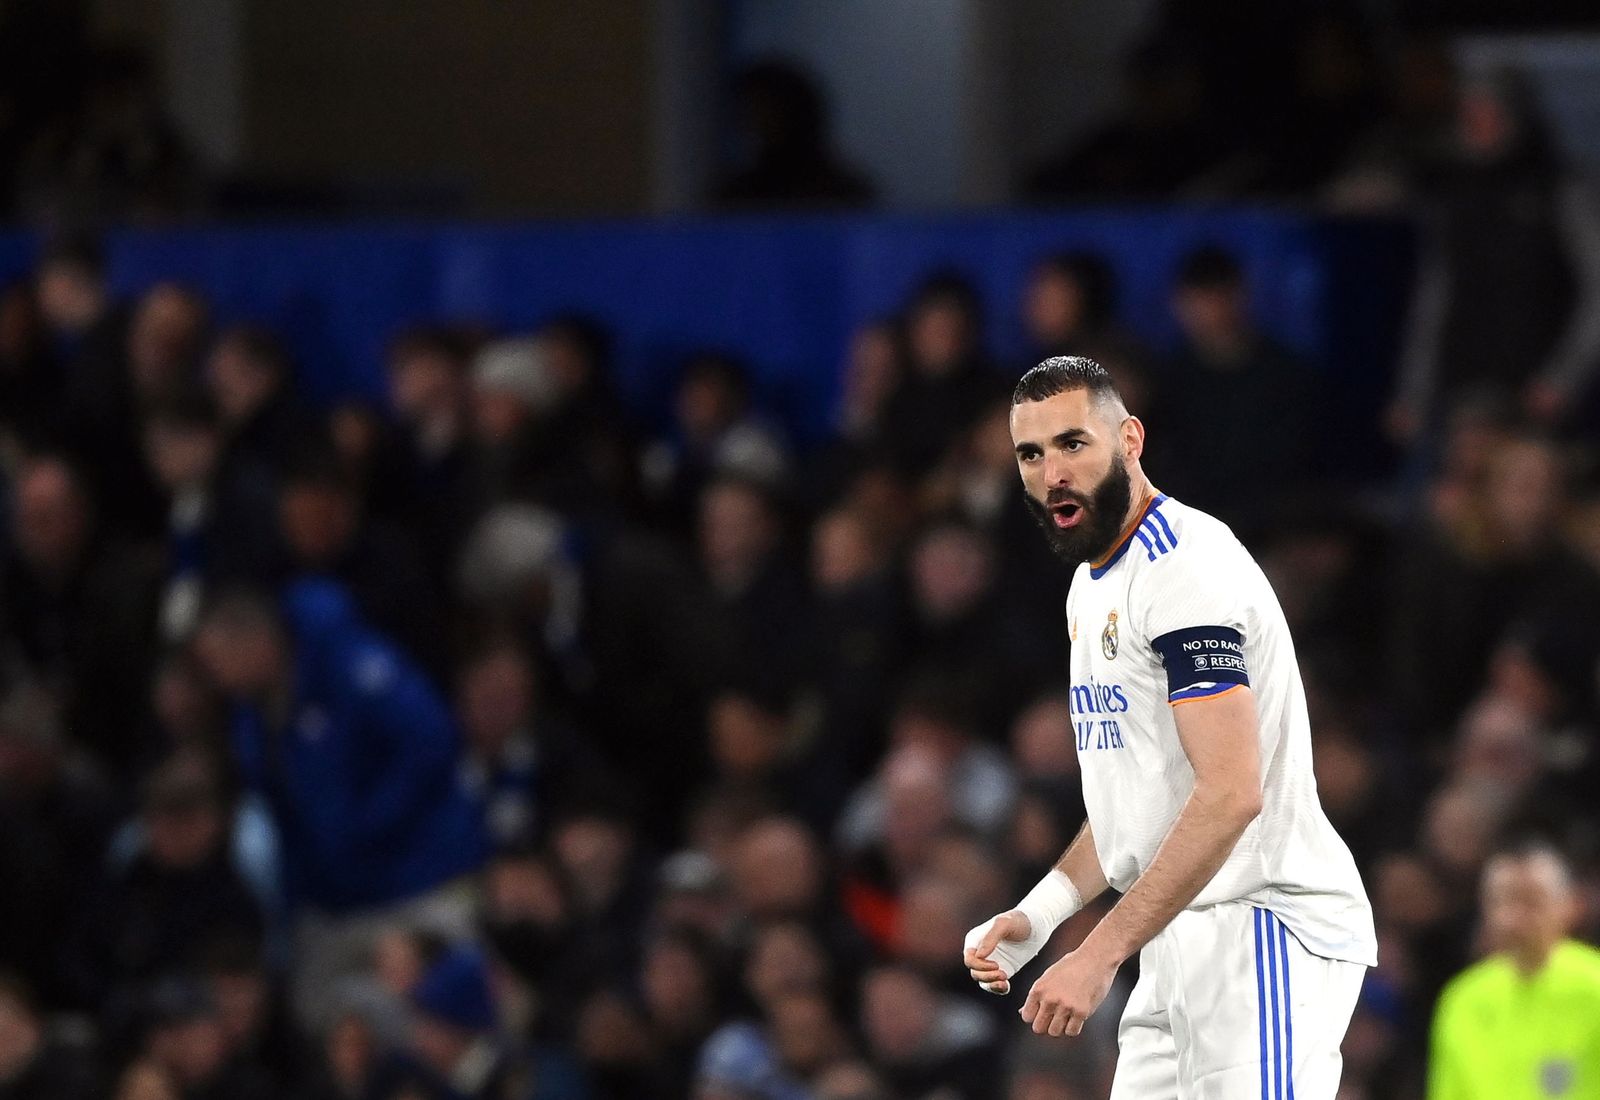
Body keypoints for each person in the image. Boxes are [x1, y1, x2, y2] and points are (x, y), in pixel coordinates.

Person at [962, 356, 1375, 1098]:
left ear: (1130, 439)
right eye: (1031, 454)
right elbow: (1137, 803)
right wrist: (1041, 914)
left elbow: (1229, 793)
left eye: (1072, 444)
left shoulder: (1184, 569)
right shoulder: (1089, 587)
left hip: (1262, 928)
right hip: (1177, 934)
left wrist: (1097, 955)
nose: (1052, 472)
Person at [1428, 844, 1600, 1100]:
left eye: (1532, 901)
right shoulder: (1463, 1000)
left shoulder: (1594, 985)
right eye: (1503, 901)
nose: (1514, 918)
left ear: (1569, 905)